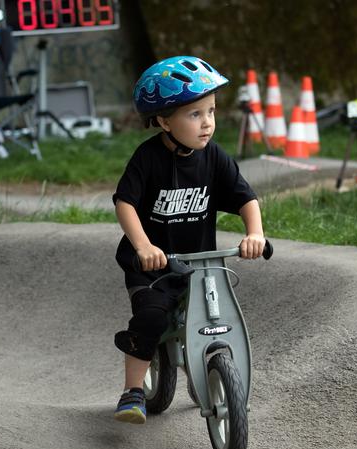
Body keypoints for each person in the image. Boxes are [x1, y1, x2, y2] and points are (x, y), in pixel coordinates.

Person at [111, 56, 266, 424]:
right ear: (164, 121)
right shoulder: (147, 158)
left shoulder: (214, 158)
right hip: (153, 268)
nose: (207, 122)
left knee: (221, 317)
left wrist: (255, 232)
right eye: (194, 114)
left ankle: (210, 368)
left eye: (210, 111)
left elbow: (246, 198)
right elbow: (125, 203)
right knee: (150, 318)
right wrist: (143, 246)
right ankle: (133, 391)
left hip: (201, 264)